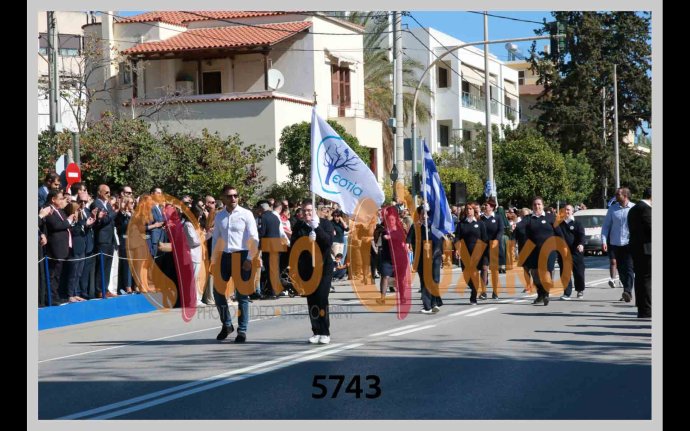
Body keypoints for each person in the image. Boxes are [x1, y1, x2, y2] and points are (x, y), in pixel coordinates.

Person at [211, 185, 259, 343]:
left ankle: (242, 330)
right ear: (223, 199)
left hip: (242, 255)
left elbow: (254, 238)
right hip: (224, 256)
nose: (233, 198)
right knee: (218, 292)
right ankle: (227, 325)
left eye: (235, 195)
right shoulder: (219, 216)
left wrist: (249, 259)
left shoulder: (246, 214)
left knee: (242, 295)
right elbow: (216, 239)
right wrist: (213, 260)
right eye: (229, 196)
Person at [291, 200, 335, 344]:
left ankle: (325, 332)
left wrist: (317, 229)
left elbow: (328, 242)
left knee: (321, 298)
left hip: (323, 267)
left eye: (309, 210)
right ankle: (316, 331)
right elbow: (294, 246)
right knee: (312, 300)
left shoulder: (325, 224)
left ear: (314, 210)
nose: (307, 213)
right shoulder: (299, 226)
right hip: (307, 268)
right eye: (304, 210)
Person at [524, 197, 561, 306]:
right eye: (535, 204)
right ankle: (540, 294)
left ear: (543, 205)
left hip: (549, 250)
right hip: (533, 250)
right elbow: (523, 233)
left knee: (547, 271)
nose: (537, 206)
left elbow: (559, 233)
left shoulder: (551, 218)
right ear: (532, 206)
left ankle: (546, 294)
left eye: (539, 204)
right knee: (535, 273)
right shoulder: (528, 219)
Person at [602, 187, 635, 302]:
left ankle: (627, 291)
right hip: (615, 243)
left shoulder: (634, 208)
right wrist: (604, 240)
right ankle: (626, 290)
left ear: (625, 196)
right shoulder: (612, 209)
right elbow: (606, 226)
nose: (615, 196)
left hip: (629, 243)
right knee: (621, 269)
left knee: (629, 268)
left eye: (618, 194)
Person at [454, 203, 487, 305]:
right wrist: (457, 249)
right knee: (466, 274)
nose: (469, 211)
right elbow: (457, 237)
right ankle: (474, 288)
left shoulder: (480, 223)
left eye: (471, 209)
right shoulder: (461, 224)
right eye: (467, 209)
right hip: (465, 252)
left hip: (477, 253)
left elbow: (484, 239)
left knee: (474, 274)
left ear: (474, 210)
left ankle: (473, 296)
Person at [627, 187, 651, 318]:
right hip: (647, 249)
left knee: (641, 279)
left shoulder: (634, 209)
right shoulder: (645, 209)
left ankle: (642, 308)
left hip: (637, 248)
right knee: (647, 279)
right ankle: (646, 309)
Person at [558, 204, 586, 300]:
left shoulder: (577, 223)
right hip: (563, 252)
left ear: (572, 211)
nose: (566, 211)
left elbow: (581, 235)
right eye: (565, 210)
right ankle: (567, 293)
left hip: (576, 252)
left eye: (568, 210)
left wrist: (581, 244)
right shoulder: (559, 224)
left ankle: (580, 290)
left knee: (579, 272)